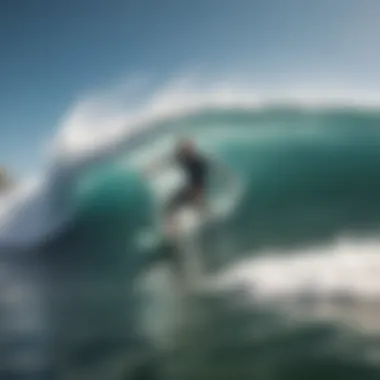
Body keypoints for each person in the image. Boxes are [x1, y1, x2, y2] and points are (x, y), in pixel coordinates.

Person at [144, 137, 231, 237]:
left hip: (197, 187)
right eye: (182, 149)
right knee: (174, 206)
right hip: (191, 186)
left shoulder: (198, 160)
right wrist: (151, 169)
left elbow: (208, 169)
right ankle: (173, 230)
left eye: (186, 148)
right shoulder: (180, 157)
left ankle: (209, 221)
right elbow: (166, 161)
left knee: (187, 206)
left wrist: (199, 191)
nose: (183, 151)